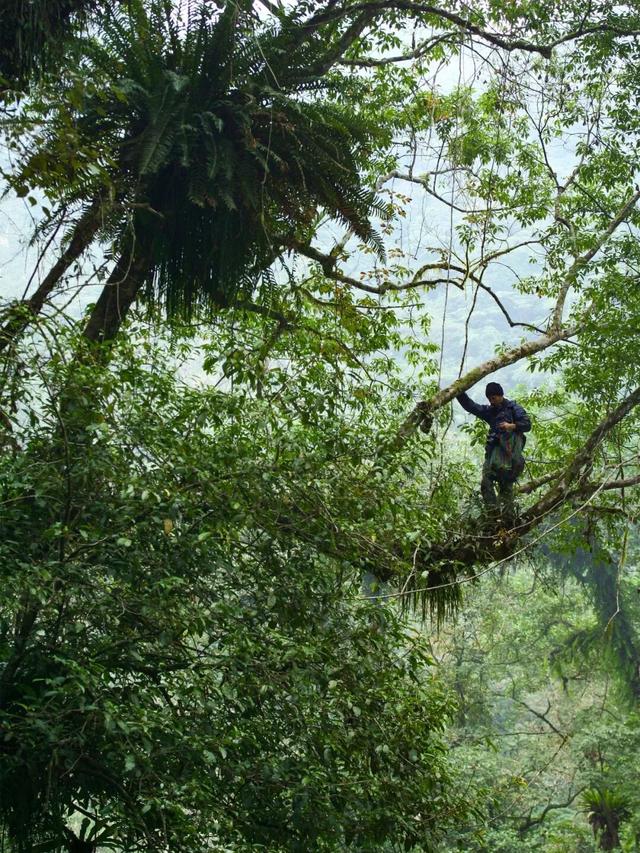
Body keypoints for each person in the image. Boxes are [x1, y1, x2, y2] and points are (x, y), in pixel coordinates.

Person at [456, 382, 531, 517]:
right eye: (489, 399)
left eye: (494, 398)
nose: (492, 401)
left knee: (506, 490)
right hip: (492, 456)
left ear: (501, 395)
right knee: (486, 483)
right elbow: (471, 406)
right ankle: (493, 516)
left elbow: (527, 425)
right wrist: (458, 392)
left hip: (511, 457)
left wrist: (511, 426)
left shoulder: (514, 408)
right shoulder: (490, 411)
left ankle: (508, 521)